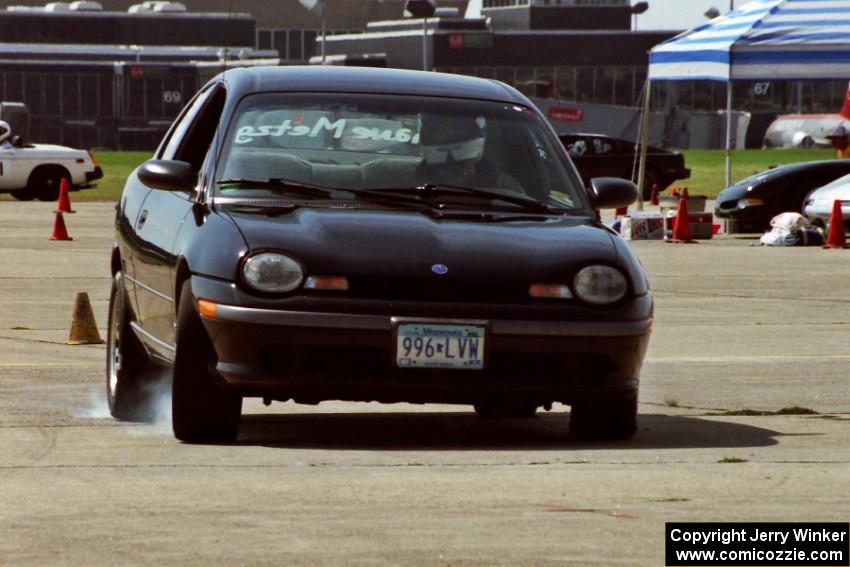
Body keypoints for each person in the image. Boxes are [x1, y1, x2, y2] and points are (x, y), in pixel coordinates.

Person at [416, 113, 522, 192]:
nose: (450, 136)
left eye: (457, 131)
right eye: (440, 134)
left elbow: (521, 207)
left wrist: (510, 192)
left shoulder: (496, 181)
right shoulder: (418, 184)